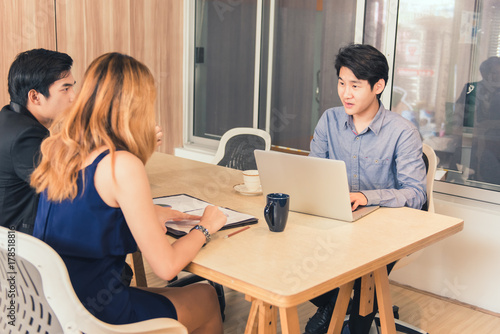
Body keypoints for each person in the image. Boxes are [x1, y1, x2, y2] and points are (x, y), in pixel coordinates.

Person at [30, 53, 226, 333]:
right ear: (137, 106)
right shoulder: (121, 164)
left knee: (164, 297)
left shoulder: (62, 149)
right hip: (95, 319)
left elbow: (90, 213)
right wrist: (206, 227)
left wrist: (151, 213)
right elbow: (167, 268)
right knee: (206, 297)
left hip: (56, 308)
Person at [306, 44, 427, 334]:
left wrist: (366, 197)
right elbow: (312, 173)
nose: (345, 93)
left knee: (363, 280)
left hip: (384, 229)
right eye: (341, 83)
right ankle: (339, 304)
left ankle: (347, 318)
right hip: (337, 222)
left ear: (378, 86)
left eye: (355, 86)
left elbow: (416, 193)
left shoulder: (402, 132)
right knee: (299, 269)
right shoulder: (329, 120)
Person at [0, 49, 75, 234]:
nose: (74, 97)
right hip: (16, 249)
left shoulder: (9, 119)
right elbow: (67, 189)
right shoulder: (26, 135)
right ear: (35, 97)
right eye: (65, 89)